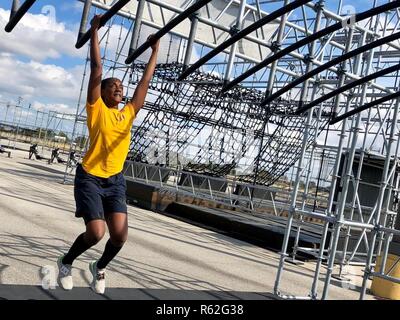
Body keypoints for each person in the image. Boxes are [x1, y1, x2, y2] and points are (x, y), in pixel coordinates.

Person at [57, 14, 159, 294]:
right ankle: (66, 262)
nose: (118, 88)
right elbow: (98, 68)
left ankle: (98, 267)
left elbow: (144, 83)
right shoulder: (96, 109)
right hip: (90, 177)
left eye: (121, 87)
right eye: (112, 86)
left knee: (120, 235)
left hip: (115, 180)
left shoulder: (127, 114)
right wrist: (94, 31)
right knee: (96, 232)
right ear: (100, 92)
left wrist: (155, 51)